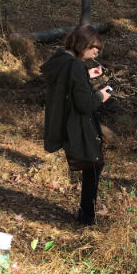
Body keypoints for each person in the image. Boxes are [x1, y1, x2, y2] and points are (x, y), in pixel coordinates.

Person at [41, 25, 112, 225]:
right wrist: (102, 95)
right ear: (84, 44)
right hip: (76, 124)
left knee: (92, 165)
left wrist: (87, 76)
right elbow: (85, 104)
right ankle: (87, 216)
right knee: (94, 165)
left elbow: (67, 82)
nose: (94, 54)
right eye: (94, 49)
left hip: (63, 122)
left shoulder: (60, 60)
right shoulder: (75, 66)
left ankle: (85, 212)